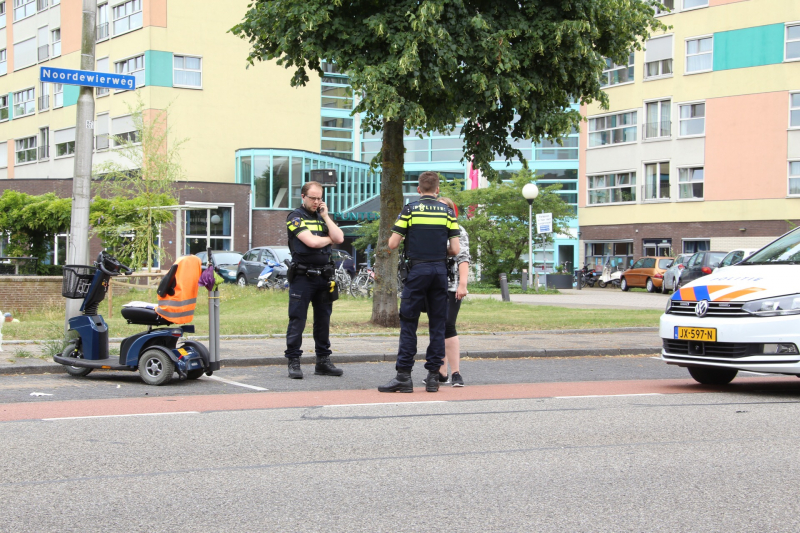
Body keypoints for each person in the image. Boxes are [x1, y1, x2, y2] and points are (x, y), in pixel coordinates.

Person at [378, 172, 460, 393]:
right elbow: (455, 249)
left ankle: (404, 377)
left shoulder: (410, 210)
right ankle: (433, 378)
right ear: (437, 189)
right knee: (437, 325)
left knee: (409, 324)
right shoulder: (448, 212)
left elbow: (393, 244)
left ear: (418, 189)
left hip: (417, 271)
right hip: (440, 271)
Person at [284, 181, 345, 379]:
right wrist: (329, 240)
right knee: (297, 320)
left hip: (324, 276)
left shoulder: (323, 216)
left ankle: (323, 361)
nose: (317, 202)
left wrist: (326, 216)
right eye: (313, 198)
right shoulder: (295, 217)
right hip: (303, 277)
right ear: (303, 197)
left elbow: (340, 237)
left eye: (319, 198)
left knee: (323, 321)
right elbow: (311, 242)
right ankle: (294, 361)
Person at [432, 196, 470, 387]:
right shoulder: (430, 230)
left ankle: (455, 372)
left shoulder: (458, 230)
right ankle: (441, 372)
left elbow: (463, 258)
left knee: (448, 325)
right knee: (436, 326)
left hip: (451, 284)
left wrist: (463, 284)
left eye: (445, 208)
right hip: (433, 283)